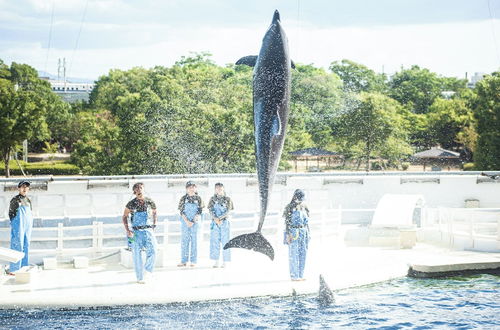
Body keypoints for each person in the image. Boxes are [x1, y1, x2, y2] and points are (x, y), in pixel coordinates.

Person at [122, 182, 158, 284]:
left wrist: (154, 223)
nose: (139, 190)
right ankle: (139, 277)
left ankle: (147, 270)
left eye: (141, 188)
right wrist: (128, 230)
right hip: (135, 231)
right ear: (134, 191)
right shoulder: (131, 203)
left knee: (154, 250)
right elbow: (124, 216)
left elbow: (155, 212)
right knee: (136, 254)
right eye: (137, 189)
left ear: (144, 189)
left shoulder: (150, 201)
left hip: (148, 230)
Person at [283, 189, 310, 281]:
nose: (301, 200)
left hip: (304, 231)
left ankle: (301, 274)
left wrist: (308, 234)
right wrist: (288, 234)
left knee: (303, 253)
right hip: (294, 231)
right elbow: (287, 222)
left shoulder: (304, 207)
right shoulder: (289, 207)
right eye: (299, 198)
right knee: (294, 254)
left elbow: (307, 222)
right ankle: (294, 275)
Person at [8, 181, 33, 275]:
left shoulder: (28, 200)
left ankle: (24, 267)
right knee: (17, 245)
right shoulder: (15, 200)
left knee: (26, 245)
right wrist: (16, 225)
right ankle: (14, 269)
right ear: (18, 188)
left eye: (26, 187)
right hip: (19, 226)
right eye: (22, 187)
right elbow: (11, 215)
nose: (25, 189)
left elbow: (30, 213)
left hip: (27, 226)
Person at [178, 181, 204, 267]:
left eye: (193, 187)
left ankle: (194, 261)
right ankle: (183, 261)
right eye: (189, 187)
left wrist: (192, 221)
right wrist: (186, 221)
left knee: (194, 242)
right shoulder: (183, 198)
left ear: (195, 188)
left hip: (195, 223)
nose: (191, 189)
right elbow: (181, 211)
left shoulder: (199, 198)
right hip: (185, 222)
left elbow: (200, 211)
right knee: (184, 241)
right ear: (186, 189)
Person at [208, 183, 234, 268]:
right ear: (215, 189)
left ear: (223, 189)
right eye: (217, 188)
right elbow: (210, 210)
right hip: (215, 223)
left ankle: (225, 261)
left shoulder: (228, 199)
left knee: (225, 242)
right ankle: (216, 261)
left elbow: (228, 211)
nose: (219, 189)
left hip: (224, 223)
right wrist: (215, 219)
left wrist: (220, 219)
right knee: (215, 242)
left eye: (220, 188)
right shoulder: (212, 199)